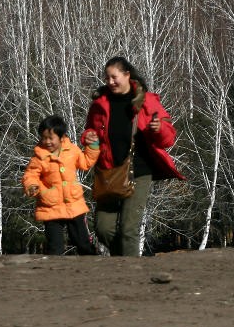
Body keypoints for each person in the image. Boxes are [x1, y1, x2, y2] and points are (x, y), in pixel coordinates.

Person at [80, 56, 184, 256]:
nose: (110, 82)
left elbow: (168, 138)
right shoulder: (99, 104)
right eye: (107, 78)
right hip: (109, 172)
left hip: (139, 171)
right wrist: (89, 137)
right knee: (103, 228)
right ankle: (125, 259)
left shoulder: (147, 101)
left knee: (129, 229)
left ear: (127, 75)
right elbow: (89, 131)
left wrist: (158, 128)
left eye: (114, 77)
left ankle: (132, 275)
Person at [22, 115, 100, 256]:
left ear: (61, 136)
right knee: (55, 247)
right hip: (50, 206)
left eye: (51, 138)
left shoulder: (72, 150)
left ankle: (92, 264)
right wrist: (32, 186)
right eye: (44, 138)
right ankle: (54, 273)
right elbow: (30, 175)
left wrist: (93, 146)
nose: (47, 142)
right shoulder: (38, 157)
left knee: (82, 242)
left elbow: (86, 162)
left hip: (73, 204)